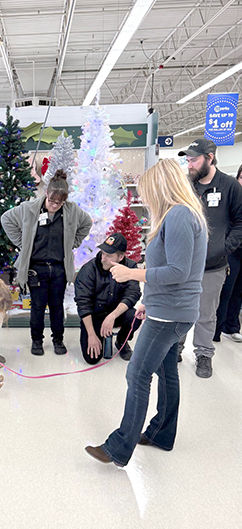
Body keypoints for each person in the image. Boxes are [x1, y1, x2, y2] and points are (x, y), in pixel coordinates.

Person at [85, 158, 207, 468]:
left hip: (169, 314)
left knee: (137, 373)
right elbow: (172, 268)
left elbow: (178, 271)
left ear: (160, 187)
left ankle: (119, 447)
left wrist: (131, 275)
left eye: (147, 191)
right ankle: (161, 434)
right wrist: (146, 300)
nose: (145, 199)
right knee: (166, 373)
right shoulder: (184, 214)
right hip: (170, 309)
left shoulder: (178, 215)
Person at [1, 170, 92, 356]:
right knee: (37, 307)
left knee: (57, 306)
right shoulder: (29, 208)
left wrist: (73, 243)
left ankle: (58, 340)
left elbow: (87, 223)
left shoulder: (72, 210)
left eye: (59, 203)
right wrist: (22, 242)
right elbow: (6, 219)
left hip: (58, 268)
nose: (55, 206)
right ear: (46, 194)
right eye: (52, 201)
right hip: (37, 269)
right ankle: (37, 341)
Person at [175, 138, 242, 378]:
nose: (189, 164)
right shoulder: (186, 186)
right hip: (183, 264)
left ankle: (204, 354)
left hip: (213, 266)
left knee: (205, 313)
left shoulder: (230, 187)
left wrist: (225, 248)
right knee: (181, 308)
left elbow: (240, 222)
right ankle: (176, 348)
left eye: (194, 159)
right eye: (187, 160)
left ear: (210, 158)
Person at [74, 233, 141, 365]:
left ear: (121, 257)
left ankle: (121, 340)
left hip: (116, 313)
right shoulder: (88, 270)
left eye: (109, 255)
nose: (103, 258)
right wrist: (92, 335)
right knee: (92, 359)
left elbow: (132, 294)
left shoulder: (130, 268)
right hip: (94, 316)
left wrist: (112, 316)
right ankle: (98, 335)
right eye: (103, 253)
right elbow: (83, 303)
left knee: (135, 316)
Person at [220, 163, 242, 343]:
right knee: (226, 290)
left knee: (238, 291)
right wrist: (227, 246)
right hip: (232, 251)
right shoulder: (232, 197)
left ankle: (232, 326)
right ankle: (217, 329)